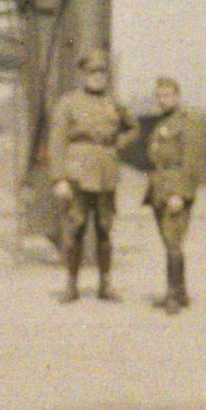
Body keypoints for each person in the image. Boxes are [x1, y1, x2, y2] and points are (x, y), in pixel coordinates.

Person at [48, 49, 137, 304]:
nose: (98, 77)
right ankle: (71, 286)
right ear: (82, 74)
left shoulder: (114, 102)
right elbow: (57, 142)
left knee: (105, 229)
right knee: (75, 228)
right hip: (77, 174)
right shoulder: (69, 102)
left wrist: (119, 142)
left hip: (106, 174)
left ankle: (105, 285)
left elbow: (133, 127)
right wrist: (59, 179)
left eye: (102, 73)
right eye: (93, 72)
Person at [144, 76, 206, 313]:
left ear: (177, 97)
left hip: (175, 190)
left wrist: (180, 194)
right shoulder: (162, 123)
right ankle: (180, 292)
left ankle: (173, 294)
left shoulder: (186, 123)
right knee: (169, 241)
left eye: (168, 95)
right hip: (159, 188)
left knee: (173, 241)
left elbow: (190, 163)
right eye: (159, 95)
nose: (163, 100)